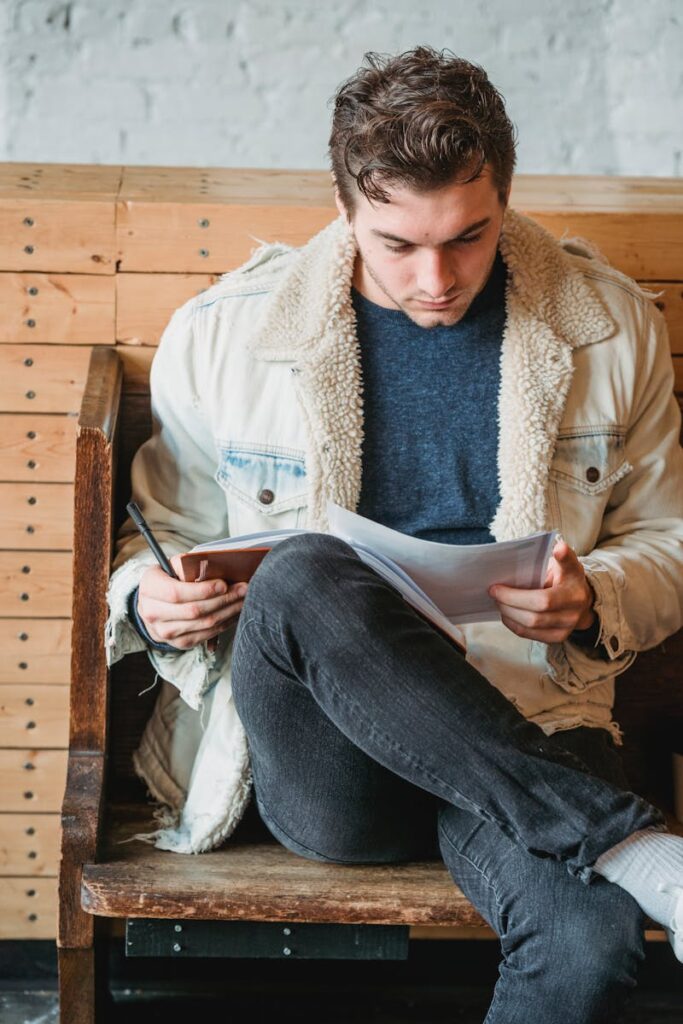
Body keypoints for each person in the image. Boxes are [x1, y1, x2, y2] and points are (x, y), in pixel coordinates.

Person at [105, 46, 683, 1021]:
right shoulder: (226, 334)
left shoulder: (610, 326)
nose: (434, 278)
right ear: (341, 208)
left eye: (468, 236)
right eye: (396, 244)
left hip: (533, 716)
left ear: (504, 195)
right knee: (299, 572)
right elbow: (154, 533)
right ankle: (630, 844)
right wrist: (150, 597)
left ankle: (612, 846)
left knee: (587, 944)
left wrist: (595, 595)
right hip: (331, 766)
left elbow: (667, 537)